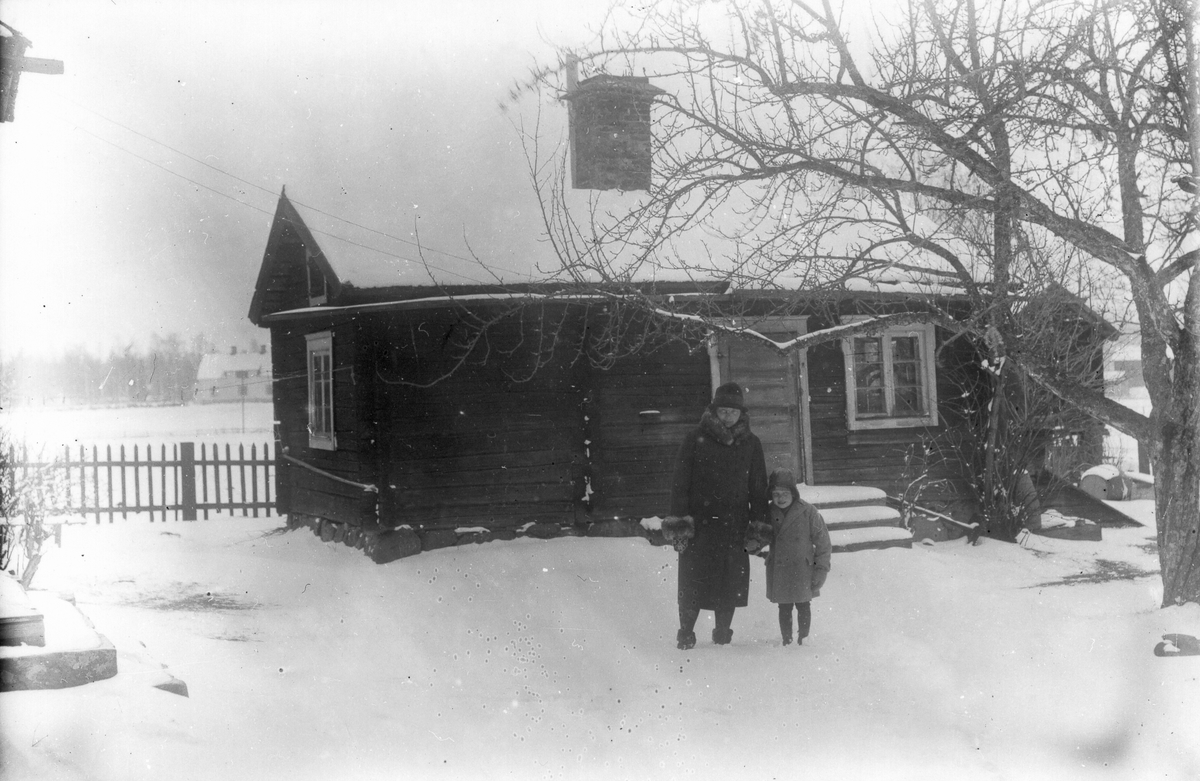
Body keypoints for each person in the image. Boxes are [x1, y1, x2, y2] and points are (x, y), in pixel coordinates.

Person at [663, 381, 768, 650]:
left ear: (741, 414)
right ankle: (686, 632)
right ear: (714, 411)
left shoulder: (751, 444)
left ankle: (723, 632)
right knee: (693, 580)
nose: (728, 416)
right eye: (723, 411)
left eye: (734, 411)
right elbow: (680, 483)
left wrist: (757, 527)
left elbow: (758, 487)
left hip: (734, 525)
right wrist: (680, 524)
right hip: (701, 525)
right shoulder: (695, 439)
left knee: (729, 580)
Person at [764, 468, 831, 646]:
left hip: (802, 568)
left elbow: (823, 544)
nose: (780, 498)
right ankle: (786, 639)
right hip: (780, 568)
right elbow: (758, 537)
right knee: (784, 605)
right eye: (776, 494)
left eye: (785, 493)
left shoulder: (808, 511)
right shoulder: (768, 512)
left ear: (793, 493)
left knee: (803, 604)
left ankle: (804, 638)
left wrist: (821, 570)